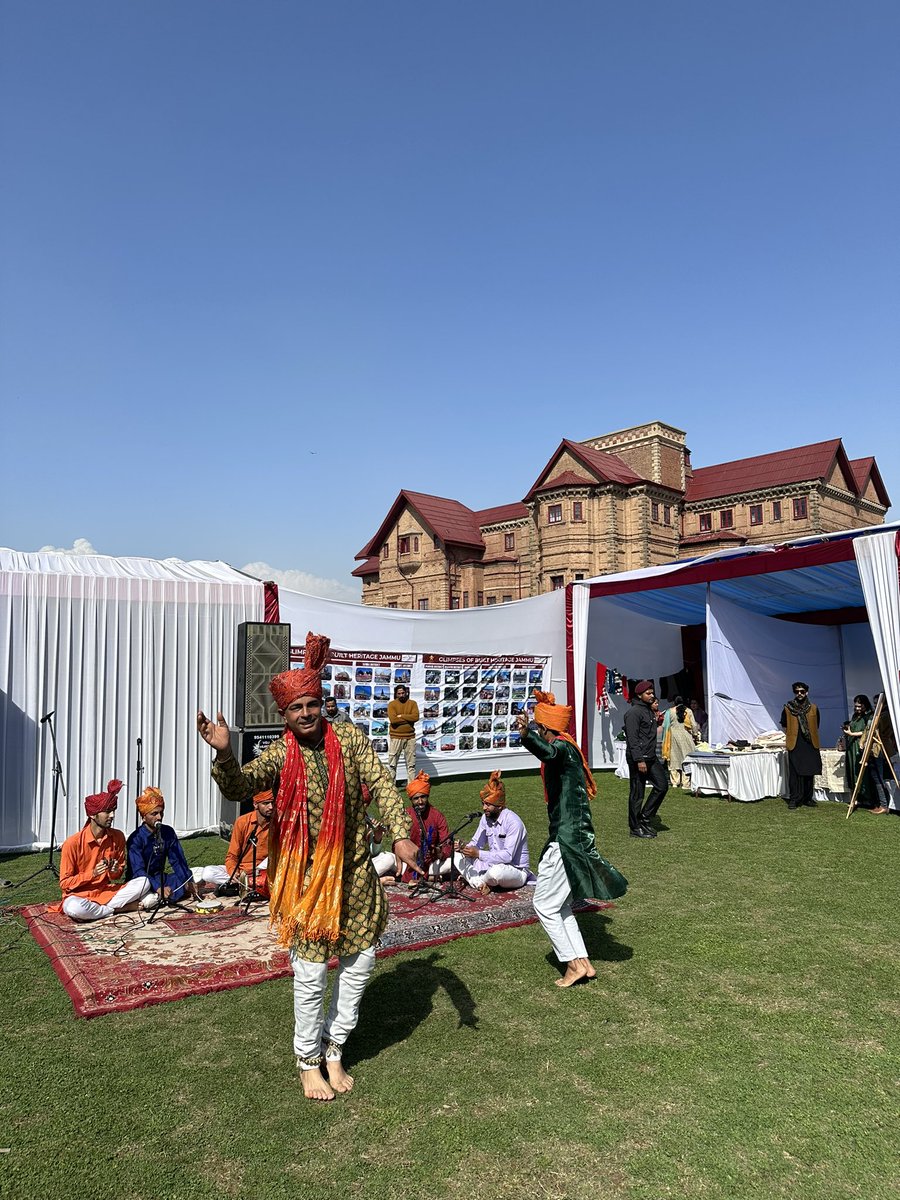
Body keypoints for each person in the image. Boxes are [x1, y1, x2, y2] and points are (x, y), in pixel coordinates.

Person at [197, 630, 421, 1103]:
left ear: (321, 704)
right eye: (295, 709)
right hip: (305, 880)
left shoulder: (351, 740)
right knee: (314, 972)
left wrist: (400, 833)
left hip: (356, 874)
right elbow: (240, 788)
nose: (305, 715)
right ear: (285, 715)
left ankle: (334, 1046)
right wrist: (222, 751)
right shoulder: (280, 754)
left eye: (310, 705)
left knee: (361, 964)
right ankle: (306, 1060)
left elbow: (381, 781)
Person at [515, 692, 627, 988]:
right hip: (570, 834)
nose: (539, 731)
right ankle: (584, 962)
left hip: (566, 838)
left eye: (539, 727)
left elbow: (548, 754)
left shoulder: (561, 747)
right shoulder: (569, 747)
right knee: (560, 905)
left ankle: (573, 964)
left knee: (544, 905)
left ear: (544, 728)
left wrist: (526, 736)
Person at [53, 779, 151, 920]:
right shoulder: (72, 843)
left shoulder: (118, 836)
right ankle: (119, 909)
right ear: (93, 815)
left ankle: (102, 910)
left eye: (113, 810)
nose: (112, 815)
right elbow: (65, 884)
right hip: (79, 896)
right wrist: (91, 874)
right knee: (73, 908)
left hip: (106, 892)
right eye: (107, 811)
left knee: (144, 883)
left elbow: (117, 875)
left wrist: (114, 871)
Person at [449, 770, 533, 894]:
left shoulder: (514, 822)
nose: (484, 808)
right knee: (456, 856)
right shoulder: (485, 818)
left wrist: (478, 854)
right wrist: (464, 848)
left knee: (496, 872)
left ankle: (476, 879)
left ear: (499, 805)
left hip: (514, 870)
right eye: (483, 804)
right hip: (490, 865)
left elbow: (507, 856)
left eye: (488, 805)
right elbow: (476, 843)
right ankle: (481, 883)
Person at [193, 789, 274, 894]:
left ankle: (241, 885)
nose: (271, 807)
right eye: (266, 803)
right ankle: (246, 884)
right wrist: (233, 872)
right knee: (208, 873)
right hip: (242, 871)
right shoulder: (242, 822)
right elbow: (231, 856)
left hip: (264, 870)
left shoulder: (278, 822)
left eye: (272, 802)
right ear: (255, 804)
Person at [126, 786, 198, 906]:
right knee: (148, 894)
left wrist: (188, 881)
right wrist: (159, 887)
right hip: (141, 881)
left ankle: (164, 896)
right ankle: (160, 896)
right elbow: (138, 870)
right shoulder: (135, 838)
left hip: (160, 877)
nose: (159, 817)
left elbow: (177, 861)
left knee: (186, 876)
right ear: (144, 816)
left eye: (161, 812)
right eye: (154, 813)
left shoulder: (168, 832)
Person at [623, 680, 669, 838]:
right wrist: (639, 760)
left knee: (662, 786)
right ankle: (635, 828)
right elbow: (632, 739)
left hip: (651, 757)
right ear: (639, 695)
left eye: (652, 693)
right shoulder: (634, 713)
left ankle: (644, 817)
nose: (651, 696)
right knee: (637, 792)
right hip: (639, 758)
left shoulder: (649, 710)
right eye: (648, 693)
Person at [780, 681, 822, 809]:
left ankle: (807, 798)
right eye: (797, 691)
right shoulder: (788, 708)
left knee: (809, 772)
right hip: (795, 744)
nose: (799, 694)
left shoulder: (813, 708)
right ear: (794, 692)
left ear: (806, 692)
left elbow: (817, 724)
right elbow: (784, 724)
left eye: (802, 691)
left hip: (810, 743)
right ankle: (794, 799)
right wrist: (792, 735)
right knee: (794, 773)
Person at [403, 771, 451, 882]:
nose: (420, 801)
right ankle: (429, 877)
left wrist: (441, 852)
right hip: (409, 863)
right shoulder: (405, 815)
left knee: (455, 860)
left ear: (427, 796)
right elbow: (396, 845)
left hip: (431, 863)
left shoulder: (437, 816)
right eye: (416, 798)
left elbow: (446, 844)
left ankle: (430, 875)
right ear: (411, 800)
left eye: (423, 797)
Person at [843, 695, 877, 811]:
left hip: (861, 746)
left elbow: (867, 731)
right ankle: (856, 798)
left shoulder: (869, 716)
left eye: (859, 706)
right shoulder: (855, 716)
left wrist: (852, 734)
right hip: (852, 746)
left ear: (865, 705)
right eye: (855, 706)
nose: (857, 708)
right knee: (852, 771)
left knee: (861, 772)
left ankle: (867, 798)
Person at [661, 696, 698, 789]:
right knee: (686, 759)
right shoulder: (688, 711)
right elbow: (694, 725)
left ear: (674, 702)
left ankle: (675, 782)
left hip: (672, 737)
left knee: (674, 759)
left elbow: (664, 726)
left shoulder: (669, 712)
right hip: (686, 737)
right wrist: (695, 734)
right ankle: (685, 783)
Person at [387, 683, 419, 783]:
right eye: (399, 693)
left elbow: (415, 717)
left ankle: (411, 786)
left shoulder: (413, 703)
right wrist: (408, 718)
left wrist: (401, 716)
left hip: (410, 737)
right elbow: (393, 720)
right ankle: (392, 786)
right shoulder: (392, 704)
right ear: (396, 694)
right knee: (392, 763)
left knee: (411, 764)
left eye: (403, 693)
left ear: (406, 692)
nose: (401, 695)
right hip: (396, 737)